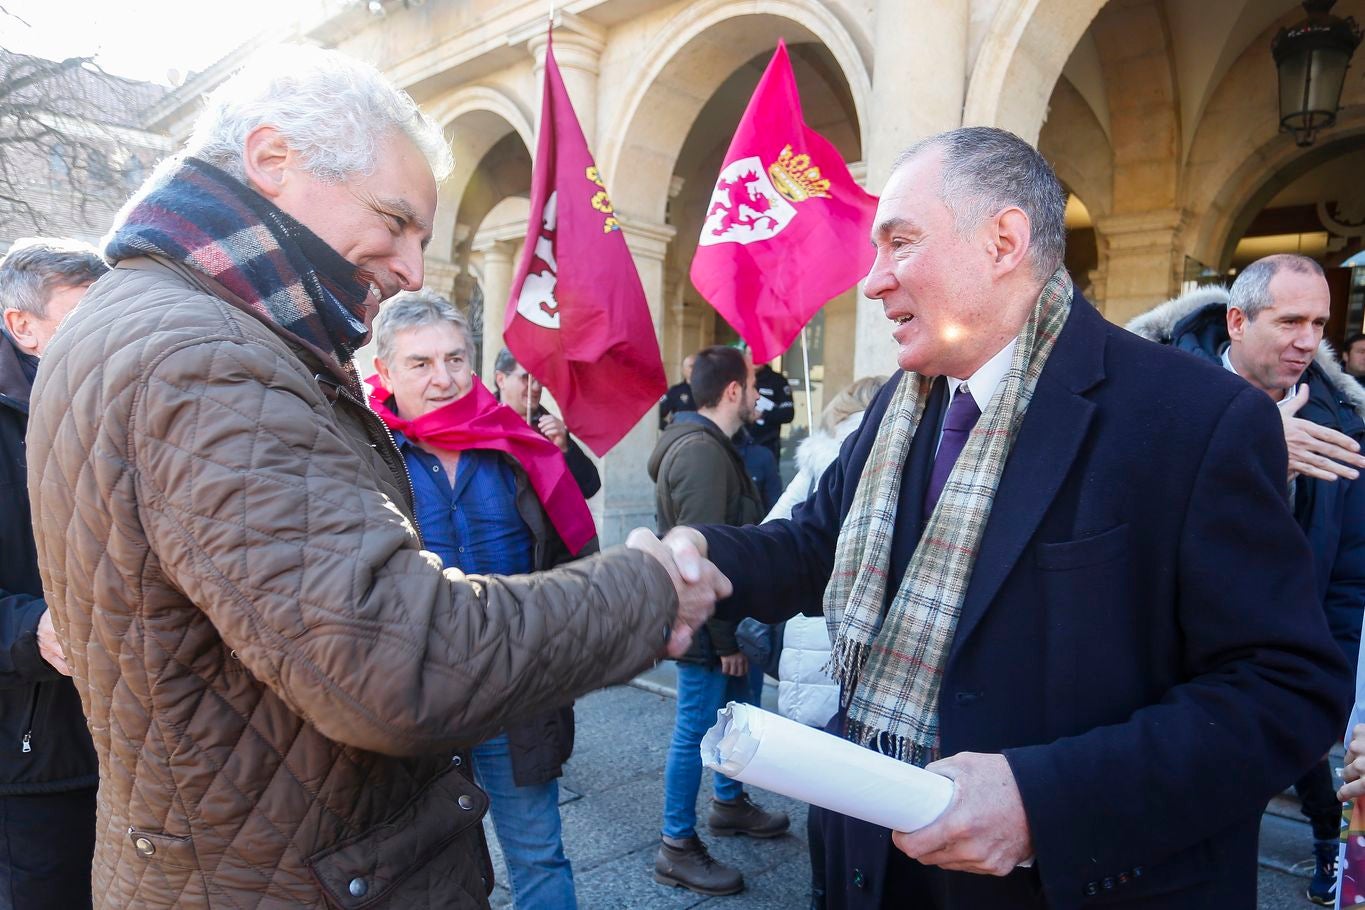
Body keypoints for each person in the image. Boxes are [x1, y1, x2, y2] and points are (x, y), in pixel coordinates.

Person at [24, 46, 727, 910]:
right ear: (273, 161)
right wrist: (646, 590)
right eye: (394, 221)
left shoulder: (145, 323)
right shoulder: (201, 355)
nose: (409, 269)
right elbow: (399, 659)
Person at [646, 126, 1351, 908]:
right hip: (872, 866)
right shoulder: (899, 402)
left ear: (1004, 241)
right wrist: (705, 559)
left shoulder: (1191, 417)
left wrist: (1040, 802)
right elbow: (815, 542)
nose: (873, 280)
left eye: (899, 242)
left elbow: (1285, 690)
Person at [1126, 255, 1365, 905]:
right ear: (1235, 321)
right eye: (1289, 320)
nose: (1308, 342)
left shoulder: (1342, 423)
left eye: (1318, 323)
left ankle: (1320, 845)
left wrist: (1328, 698)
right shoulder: (1151, 390)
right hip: (1155, 687)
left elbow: (1347, 579)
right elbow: (1120, 522)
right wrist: (1252, 452)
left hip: (1266, 693)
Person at [370, 292, 593, 909]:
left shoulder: (515, 447)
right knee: (432, 877)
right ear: (385, 371)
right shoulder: (365, 457)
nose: (442, 379)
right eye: (420, 364)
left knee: (540, 857)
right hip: (414, 701)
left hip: (512, 690)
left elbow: (572, 554)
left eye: (455, 359)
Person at [648, 345, 788, 897]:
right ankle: (675, 846)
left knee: (736, 722)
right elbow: (698, 558)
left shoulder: (715, 446)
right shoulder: (702, 453)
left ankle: (729, 803)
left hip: (726, 624)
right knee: (693, 731)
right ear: (732, 390)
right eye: (752, 386)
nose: (758, 396)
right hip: (711, 630)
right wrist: (727, 637)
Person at [0, 238, 106, 910]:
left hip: (136, 750)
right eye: (84, 322)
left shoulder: (117, 404)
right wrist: (29, 629)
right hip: (28, 759)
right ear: (22, 326)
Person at [766, 375, 885, 910]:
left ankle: (826, 891)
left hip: (810, 644)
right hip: (841, 649)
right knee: (856, 792)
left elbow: (774, 532)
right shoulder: (862, 457)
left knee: (828, 790)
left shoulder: (820, 458)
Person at [492, 346, 600, 499]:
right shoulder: (480, 424)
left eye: (539, 379)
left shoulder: (551, 429)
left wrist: (564, 448)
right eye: (526, 378)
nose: (536, 387)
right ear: (501, 380)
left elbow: (590, 487)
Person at [751, 357, 794, 465]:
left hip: (768, 445)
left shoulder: (778, 381)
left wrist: (763, 414)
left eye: (758, 353)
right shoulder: (738, 379)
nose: (754, 357)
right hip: (740, 446)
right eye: (751, 353)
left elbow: (788, 413)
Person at [659, 353, 696, 429]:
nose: (696, 369)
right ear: (683, 370)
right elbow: (657, 416)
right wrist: (671, 429)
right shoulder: (675, 391)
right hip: (683, 436)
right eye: (691, 366)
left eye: (698, 366)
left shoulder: (709, 391)